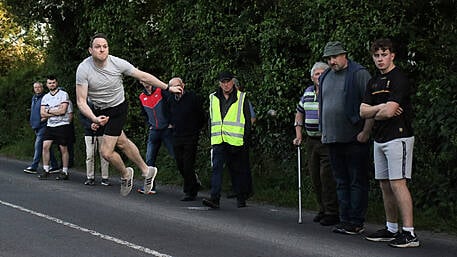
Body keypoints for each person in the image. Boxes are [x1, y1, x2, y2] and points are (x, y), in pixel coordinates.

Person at [75, 32, 182, 196]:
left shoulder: (117, 63)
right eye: (98, 47)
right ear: (90, 50)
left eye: (105, 46)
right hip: (99, 110)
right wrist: (93, 118)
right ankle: (146, 170)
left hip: (117, 107)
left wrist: (167, 87)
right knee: (122, 142)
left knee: (106, 152)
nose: (102, 50)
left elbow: (143, 76)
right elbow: (81, 101)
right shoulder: (84, 69)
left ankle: (126, 174)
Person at [360, 38, 419, 247]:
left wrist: (377, 110)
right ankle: (392, 228)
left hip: (399, 137)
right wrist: (380, 108)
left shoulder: (399, 79)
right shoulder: (373, 82)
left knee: (398, 183)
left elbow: (391, 111)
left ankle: (409, 233)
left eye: (384, 55)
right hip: (380, 138)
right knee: (385, 185)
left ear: (392, 55)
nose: (380, 59)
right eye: (376, 56)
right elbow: (362, 111)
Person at [318, 41, 373, 234]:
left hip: (354, 137)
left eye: (335, 57)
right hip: (332, 138)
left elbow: (370, 104)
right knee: (340, 180)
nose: (332, 61)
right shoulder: (325, 76)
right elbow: (322, 105)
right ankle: (345, 219)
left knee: (357, 180)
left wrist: (366, 132)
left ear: (344, 55)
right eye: (329, 58)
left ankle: (356, 221)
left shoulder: (358, 74)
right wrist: (323, 130)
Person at [293, 61, 339, 226]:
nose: (319, 77)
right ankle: (322, 208)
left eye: (322, 73)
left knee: (327, 177)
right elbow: (299, 112)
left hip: (326, 139)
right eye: (316, 74)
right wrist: (299, 134)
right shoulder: (308, 92)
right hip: (311, 140)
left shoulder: (330, 92)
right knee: (315, 177)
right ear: (312, 77)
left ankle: (332, 212)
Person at [202, 71, 252, 209]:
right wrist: (210, 136)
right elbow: (211, 118)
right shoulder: (213, 97)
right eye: (223, 82)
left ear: (232, 81)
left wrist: (245, 139)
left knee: (237, 170)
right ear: (219, 83)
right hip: (218, 139)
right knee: (216, 168)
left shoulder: (242, 97)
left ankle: (241, 197)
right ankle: (214, 198)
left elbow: (247, 120)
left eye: (228, 81)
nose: (226, 84)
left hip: (236, 140)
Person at [168, 77, 205, 201]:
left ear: (183, 85)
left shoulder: (192, 98)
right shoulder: (170, 99)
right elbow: (168, 113)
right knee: (180, 163)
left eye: (179, 85)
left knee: (188, 163)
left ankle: (190, 191)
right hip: (177, 135)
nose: (177, 88)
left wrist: (195, 128)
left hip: (191, 135)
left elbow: (201, 115)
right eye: (174, 86)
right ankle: (194, 183)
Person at [137, 79, 175, 194]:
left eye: (148, 80)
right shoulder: (142, 96)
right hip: (154, 131)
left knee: (177, 156)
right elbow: (144, 113)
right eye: (144, 81)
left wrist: (171, 122)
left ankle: (193, 181)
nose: (147, 82)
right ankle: (150, 187)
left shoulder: (161, 91)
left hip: (166, 130)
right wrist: (149, 124)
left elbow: (171, 105)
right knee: (149, 159)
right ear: (141, 82)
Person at [38, 75, 73, 180]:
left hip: (62, 125)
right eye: (49, 83)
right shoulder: (45, 97)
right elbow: (42, 114)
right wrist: (54, 112)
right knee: (45, 146)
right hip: (50, 125)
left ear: (56, 83)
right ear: (47, 85)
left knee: (63, 148)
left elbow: (63, 111)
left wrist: (49, 111)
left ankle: (65, 171)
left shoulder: (63, 94)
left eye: (53, 82)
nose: (51, 84)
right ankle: (46, 170)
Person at [24, 82, 58, 174]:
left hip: (44, 125)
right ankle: (55, 166)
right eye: (35, 87)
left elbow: (51, 109)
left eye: (39, 87)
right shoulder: (34, 97)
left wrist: (45, 118)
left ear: (42, 88)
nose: (37, 89)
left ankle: (34, 166)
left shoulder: (46, 97)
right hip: (36, 126)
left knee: (38, 145)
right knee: (47, 147)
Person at [80, 101, 110, 186]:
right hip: (89, 133)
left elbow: (107, 115)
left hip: (101, 132)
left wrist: (99, 124)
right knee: (90, 155)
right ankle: (90, 177)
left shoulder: (102, 101)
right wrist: (90, 125)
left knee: (104, 155)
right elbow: (82, 118)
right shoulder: (84, 103)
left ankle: (105, 177)